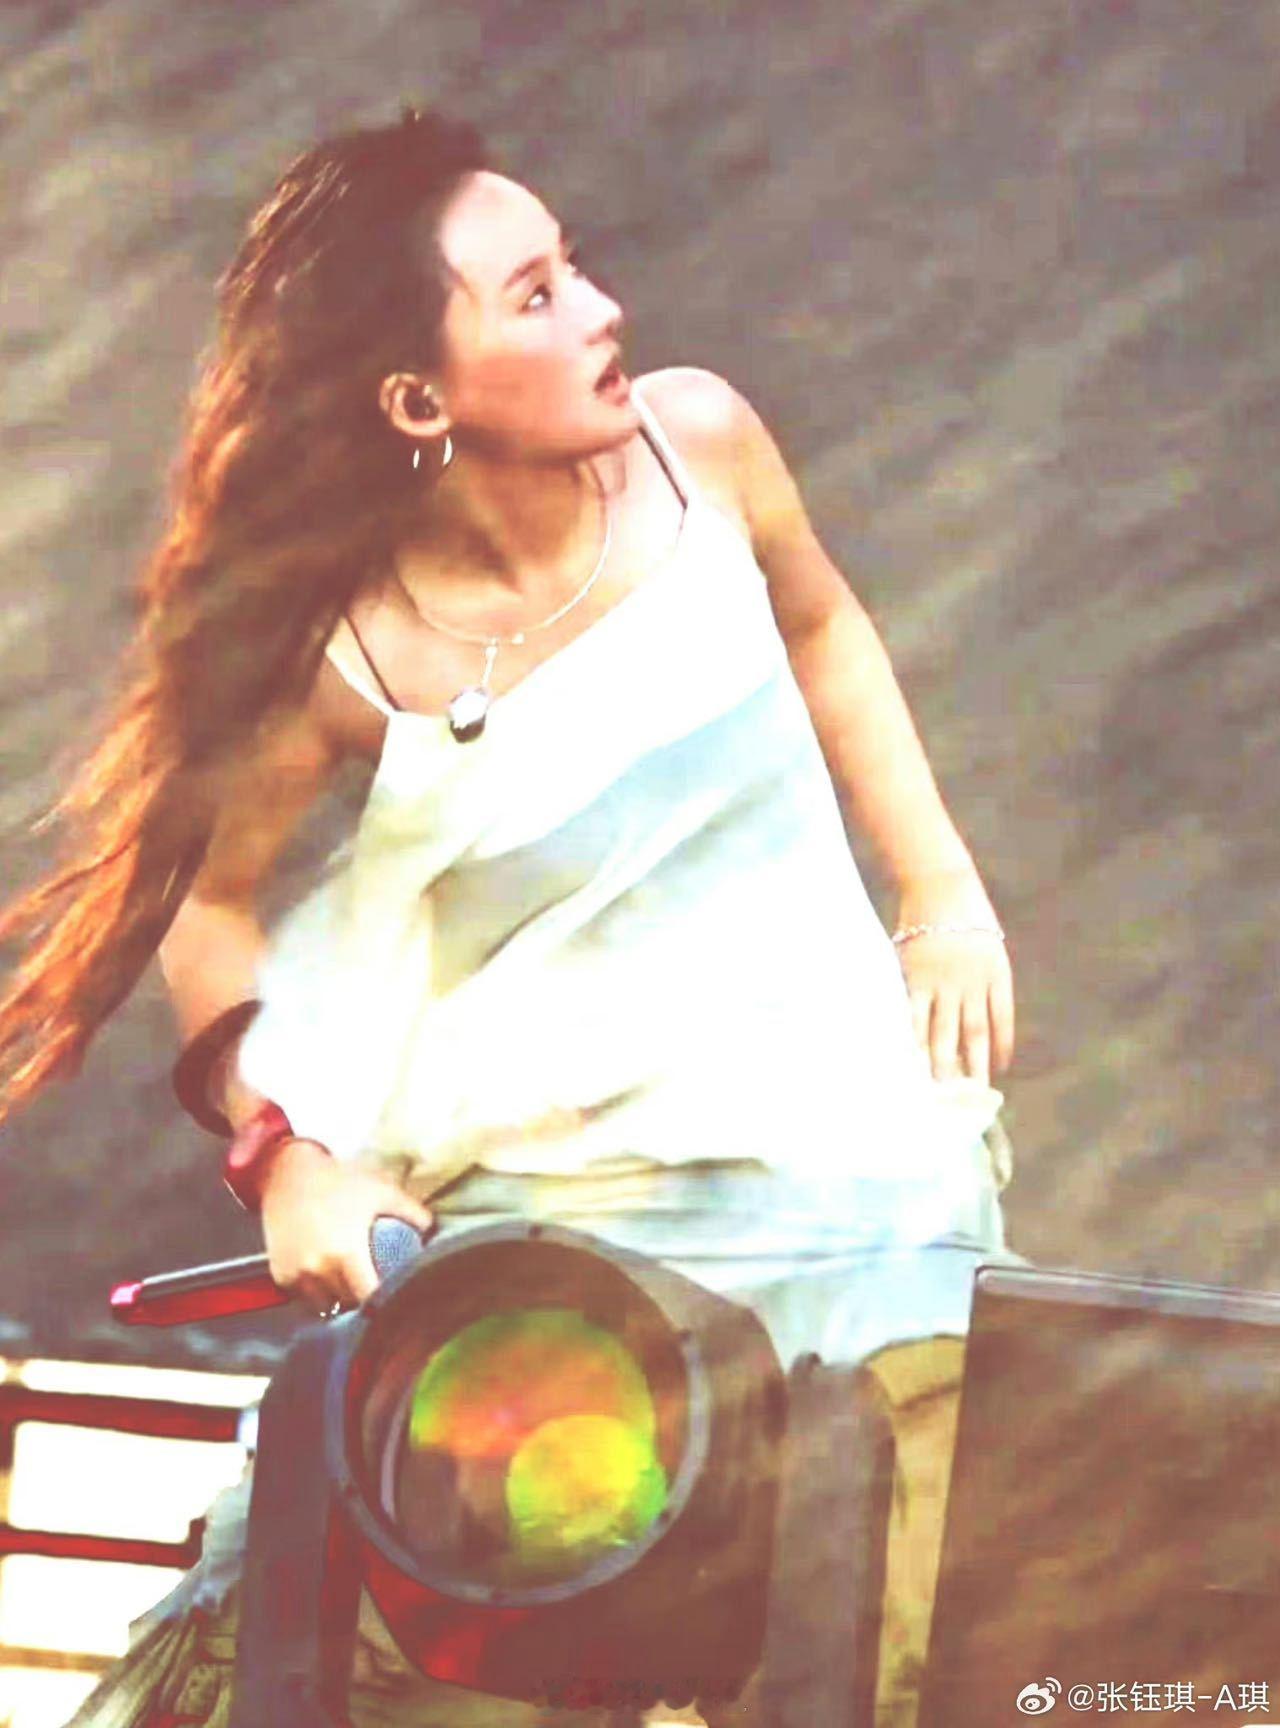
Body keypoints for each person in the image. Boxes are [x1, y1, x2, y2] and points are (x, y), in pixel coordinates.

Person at [0, 110, 1017, 1727]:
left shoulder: (702, 442)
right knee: (306, 1640)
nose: (605, 310)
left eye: (577, 267)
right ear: (419, 399)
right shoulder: (348, 653)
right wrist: (286, 1157)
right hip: (539, 1235)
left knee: (888, 1643)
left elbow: (821, 620)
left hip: (849, 1200)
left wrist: (942, 894)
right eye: (536, 295)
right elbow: (211, 906)